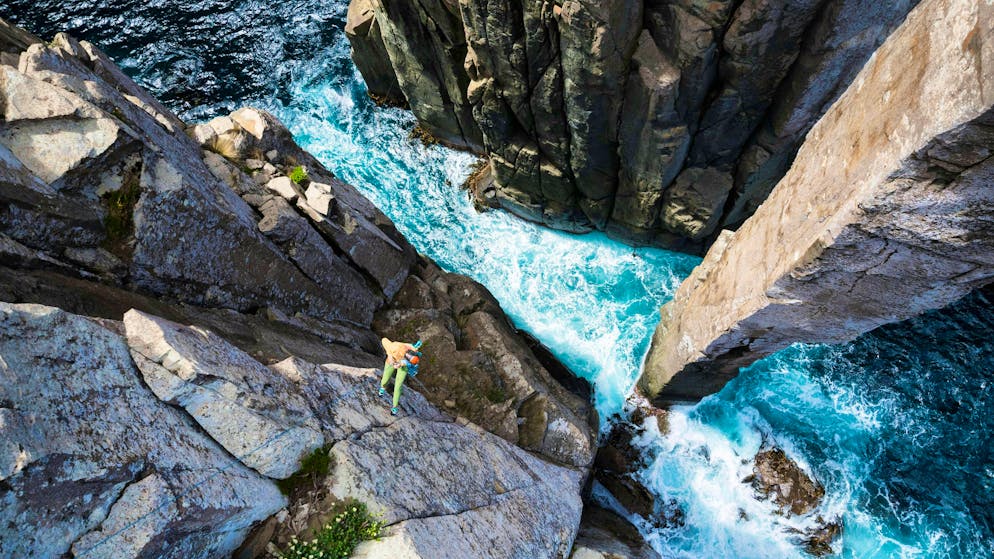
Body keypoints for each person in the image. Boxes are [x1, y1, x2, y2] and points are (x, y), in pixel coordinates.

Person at [379, 337, 423, 415]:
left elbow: (409, 363)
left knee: (398, 385)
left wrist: (402, 364)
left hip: (403, 366)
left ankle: (394, 407)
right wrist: (390, 355)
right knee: (386, 378)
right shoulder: (394, 347)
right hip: (391, 361)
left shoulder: (413, 350)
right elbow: (384, 340)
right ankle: (382, 387)